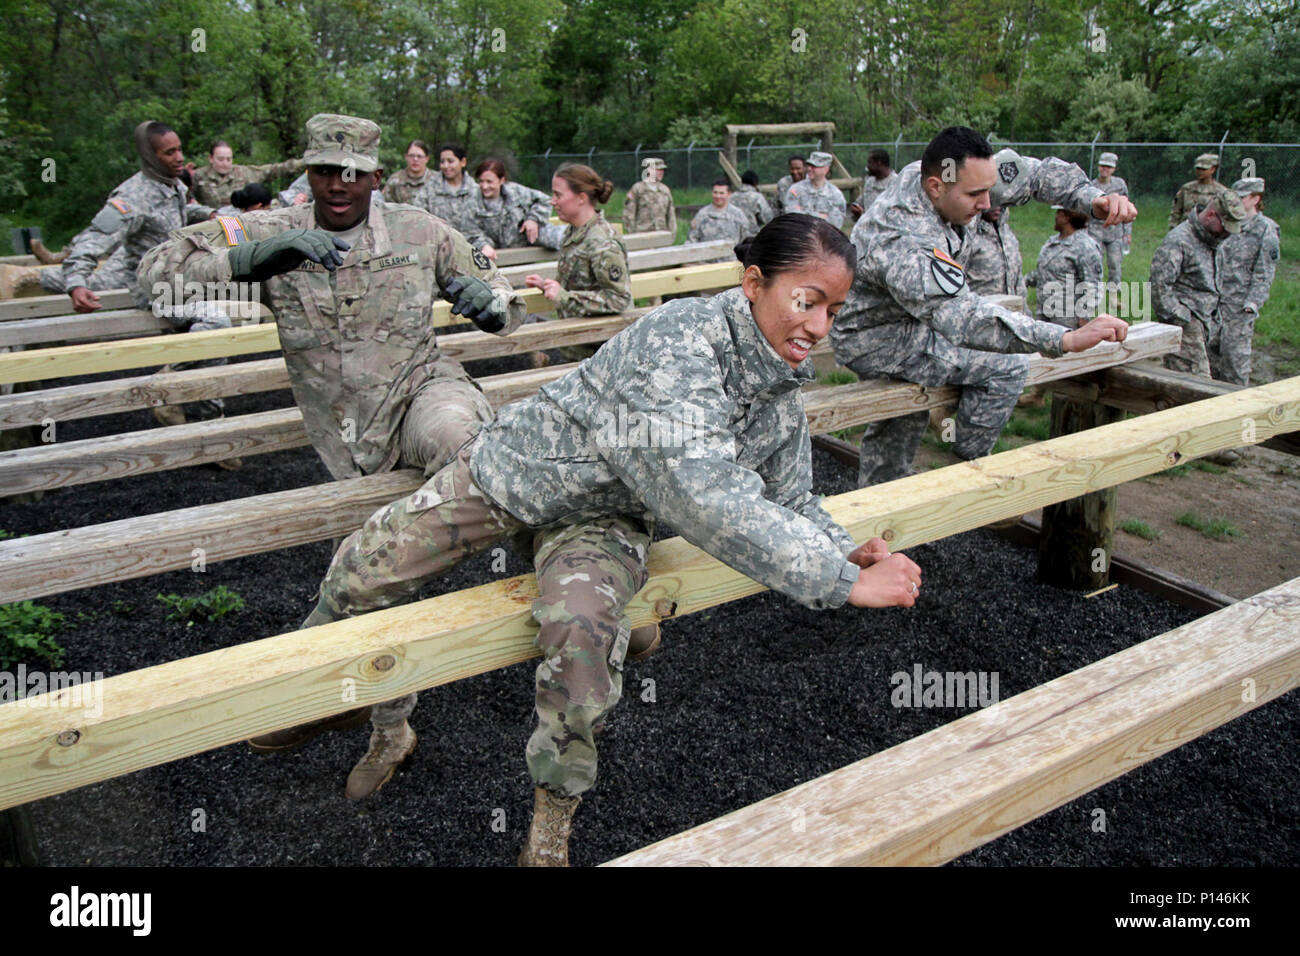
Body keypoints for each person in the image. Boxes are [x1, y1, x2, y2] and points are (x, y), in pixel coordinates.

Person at [300, 215, 924, 865]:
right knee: (360, 569)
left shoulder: (774, 381)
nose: (819, 326)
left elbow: (792, 495)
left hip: (601, 519)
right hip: (518, 472)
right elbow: (703, 494)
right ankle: (373, 719)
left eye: (834, 310)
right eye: (807, 301)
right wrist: (842, 583)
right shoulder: (681, 344)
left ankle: (549, 827)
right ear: (753, 283)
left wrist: (837, 548)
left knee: (580, 632)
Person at [140, 113, 529, 798]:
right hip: (345, 440)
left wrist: (493, 306)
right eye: (325, 170)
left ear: (376, 176)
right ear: (310, 173)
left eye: (353, 172)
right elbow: (159, 271)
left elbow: (500, 297)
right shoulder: (270, 229)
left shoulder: (420, 230)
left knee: (472, 450)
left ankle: (576, 576)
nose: (339, 184)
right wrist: (255, 259)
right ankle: (388, 729)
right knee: (380, 574)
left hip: (420, 396)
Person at [829, 126, 1136, 487]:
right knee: (1007, 365)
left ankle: (876, 507)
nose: (988, 203)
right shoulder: (903, 241)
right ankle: (970, 464)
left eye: (988, 189)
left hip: (911, 316)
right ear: (935, 188)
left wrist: (1090, 198)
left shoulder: (951, 175)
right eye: (976, 195)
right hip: (875, 338)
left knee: (903, 419)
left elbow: (1032, 174)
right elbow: (965, 321)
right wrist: (1065, 338)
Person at [1, 122, 215, 309]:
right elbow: (95, 238)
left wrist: (209, 213)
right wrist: (76, 283)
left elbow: (170, 213)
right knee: (99, 284)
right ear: (151, 155)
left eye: (179, 150)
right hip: (146, 283)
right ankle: (24, 275)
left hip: (166, 274)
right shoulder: (132, 197)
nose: (180, 158)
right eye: (170, 153)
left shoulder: (172, 183)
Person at [524, 163, 631, 367]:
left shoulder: (602, 242)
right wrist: (549, 285)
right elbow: (582, 282)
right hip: (575, 346)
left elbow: (618, 299)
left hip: (599, 355)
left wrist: (564, 297)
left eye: (558, 195)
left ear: (581, 198)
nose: (552, 201)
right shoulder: (574, 232)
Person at [1151, 190, 1249, 379]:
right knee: (1195, 387)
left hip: (1211, 322)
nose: (1228, 233)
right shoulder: (1178, 241)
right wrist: (1184, 319)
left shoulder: (1215, 239)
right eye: (1225, 226)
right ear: (1211, 215)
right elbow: (1158, 288)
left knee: (1225, 377)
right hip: (1187, 326)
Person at [1215, 177, 1280, 386]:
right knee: (1210, 357)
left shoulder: (1265, 230)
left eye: (1241, 198)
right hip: (1215, 300)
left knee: (1235, 360)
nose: (1236, 203)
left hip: (1239, 306)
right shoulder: (1227, 222)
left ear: (1255, 199)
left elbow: (1264, 272)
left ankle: (1239, 408)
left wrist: (1253, 304)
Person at [1025, 206, 1103, 328]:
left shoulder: (1085, 246)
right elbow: (1044, 271)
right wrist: (1023, 281)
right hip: (1044, 313)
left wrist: (1084, 316)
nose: (1055, 217)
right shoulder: (1053, 242)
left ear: (1067, 217)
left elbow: (1093, 285)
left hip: (1068, 318)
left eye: (1058, 213)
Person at [460, 158, 551, 260]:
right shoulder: (471, 201)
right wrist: (483, 245)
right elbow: (469, 232)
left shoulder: (517, 192)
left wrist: (533, 219)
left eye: (489, 182)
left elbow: (545, 201)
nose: (485, 186)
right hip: (492, 259)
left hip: (522, 254)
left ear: (501, 180)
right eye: (481, 181)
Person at [190, 140, 304, 210]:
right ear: (211, 158)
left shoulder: (242, 173)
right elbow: (188, 200)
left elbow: (272, 170)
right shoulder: (199, 176)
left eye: (229, 159)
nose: (225, 163)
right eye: (220, 159)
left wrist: (304, 163)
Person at [411, 142, 478, 233]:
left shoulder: (475, 190)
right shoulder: (429, 189)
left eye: (450, 161)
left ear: (463, 162)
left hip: (471, 245)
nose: (446, 166)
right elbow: (416, 219)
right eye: (442, 162)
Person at [1087, 152, 1131, 284]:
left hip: (1115, 231)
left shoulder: (1120, 185)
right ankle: (1095, 289)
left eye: (1109, 167)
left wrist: (1127, 232)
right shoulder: (1091, 185)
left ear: (1113, 169)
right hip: (1095, 231)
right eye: (1102, 166)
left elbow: (1126, 207)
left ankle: (1114, 291)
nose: (1105, 169)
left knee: (1115, 263)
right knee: (1095, 263)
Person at [964, 206, 1025, 298]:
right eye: (993, 200)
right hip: (981, 309)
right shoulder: (967, 236)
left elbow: (1018, 278)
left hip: (1012, 309)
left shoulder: (1007, 233)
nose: (997, 206)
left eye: (1000, 201)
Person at [688, 178, 756, 256]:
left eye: (721, 193)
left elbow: (746, 240)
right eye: (715, 192)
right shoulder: (702, 214)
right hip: (706, 263)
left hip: (731, 263)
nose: (718, 196)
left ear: (729, 194)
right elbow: (691, 240)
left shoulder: (738, 215)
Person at [1169, 154, 1232, 231]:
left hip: (1209, 233)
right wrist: (1173, 230)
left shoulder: (1221, 192)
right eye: (1198, 169)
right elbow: (1176, 212)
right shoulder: (1186, 189)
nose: (1200, 172)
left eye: (1203, 169)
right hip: (1187, 230)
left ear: (1213, 169)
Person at [786, 151, 846, 228]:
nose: (809, 169)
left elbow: (836, 224)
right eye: (809, 166)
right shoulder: (795, 190)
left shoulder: (835, 194)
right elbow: (792, 218)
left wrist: (804, 213)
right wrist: (822, 216)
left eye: (814, 166)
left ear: (825, 169)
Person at [622, 157, 676, 235]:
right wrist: (633, 234)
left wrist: (672, 233)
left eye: (662, 170)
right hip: (642, 234)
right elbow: (629, 214)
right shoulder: (638, 189)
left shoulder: (665, 190)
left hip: (662, 234)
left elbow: (671, 215)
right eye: (658, 170)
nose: (661, 172)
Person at [382, 139, 433, 205]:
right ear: (406, 157)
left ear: (427, 159)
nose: (415, 159)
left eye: (419, 156)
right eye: (412, 155)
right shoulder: (395, 180)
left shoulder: (437, 181)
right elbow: (385, 207)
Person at [850, 148, 897, 218]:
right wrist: (856, 207)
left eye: (870, 162)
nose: (867, 166)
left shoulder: (896, 183)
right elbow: (861, 202)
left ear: (879, 163)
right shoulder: (870, 182)